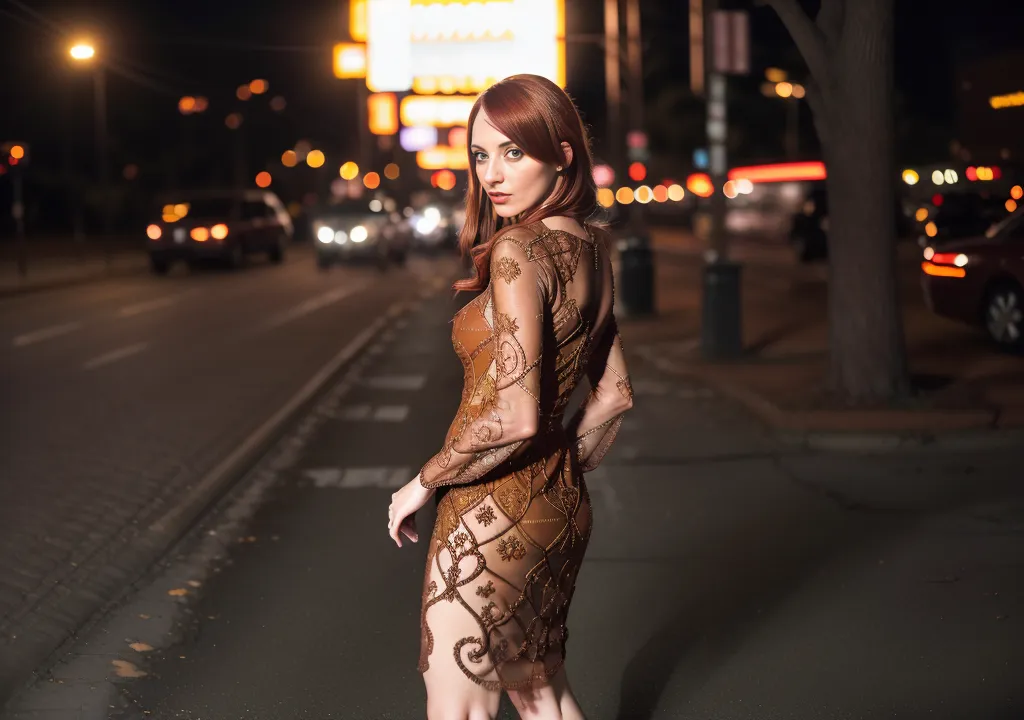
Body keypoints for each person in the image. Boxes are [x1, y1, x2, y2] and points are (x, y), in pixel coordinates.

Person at [387, 74, 633, 720]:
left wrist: (425, 480)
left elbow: (517, 413)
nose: (492, 173)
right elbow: (614, 395)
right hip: (563, 506)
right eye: (480, 155)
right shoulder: (595, 248)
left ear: (563, 155)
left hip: (487, 513)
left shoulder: (520, 250)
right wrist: (557, 471)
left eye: (513, 153)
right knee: (540, 693)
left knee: (459, 705)